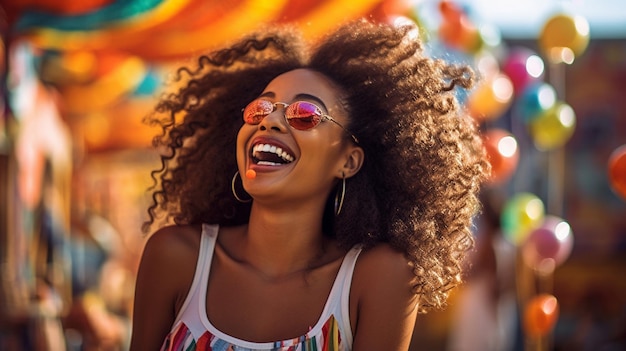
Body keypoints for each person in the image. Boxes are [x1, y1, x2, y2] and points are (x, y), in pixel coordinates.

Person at [129, 18, 489, 351]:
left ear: (348, 161)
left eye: (304, 114)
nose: (269, 122)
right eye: (260, 109)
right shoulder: (176, 258)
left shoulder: (378, 279)